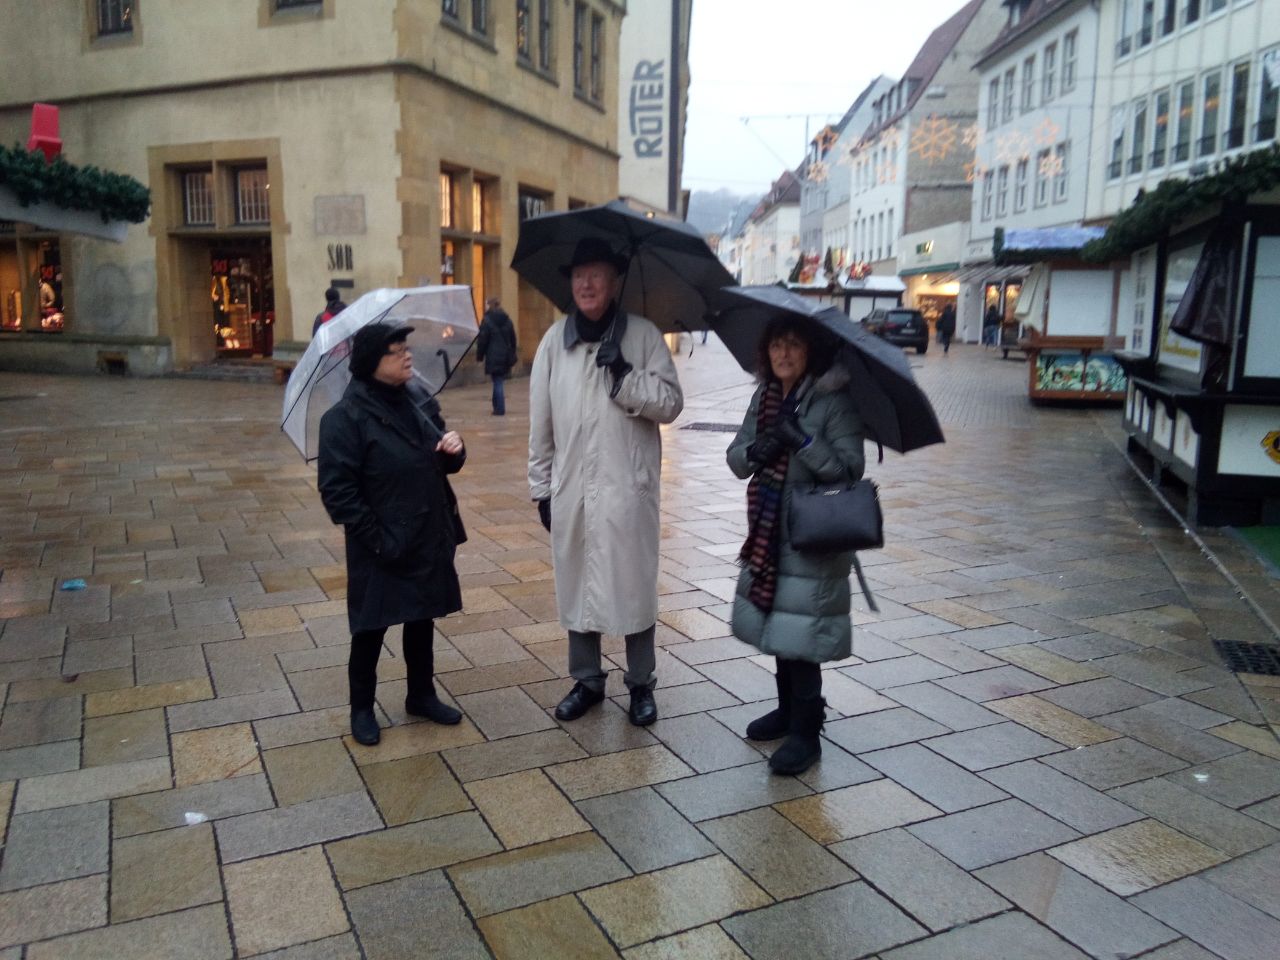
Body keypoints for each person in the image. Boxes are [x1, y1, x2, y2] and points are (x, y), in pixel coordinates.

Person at [528, 237, 684, 727]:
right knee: (577, 583)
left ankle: (641, 683)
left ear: (615, 281)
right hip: (573, 488)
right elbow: (540, 425)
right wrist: (541, 488)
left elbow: (671, 404)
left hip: (627, 490)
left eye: (596, 274)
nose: (587, 284)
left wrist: (623, 374)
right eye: (579, 275)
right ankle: (587, 680)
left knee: (634, 586)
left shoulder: (643, 336)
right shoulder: (554, 342)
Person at [317, 321, 468, 746]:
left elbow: (441, 458)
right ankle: (362, 708)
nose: (407, 355)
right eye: (396, 350)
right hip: (380, 543)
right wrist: (380, 541)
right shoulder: (343, 419)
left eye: (406, 347)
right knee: (370, 628)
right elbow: (338, 492)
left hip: (426, 530)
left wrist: (454, 451)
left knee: (422, 616)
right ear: (371, 362)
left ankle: (421, 694)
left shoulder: (419, 400)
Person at [726, 317, 865, 775]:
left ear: (811, 351)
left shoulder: (834, 402)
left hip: (812, 538)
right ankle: (787, 711)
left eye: (793, 345)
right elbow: (736, 458)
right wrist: (757, 451)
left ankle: (807, 733)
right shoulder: (764, 397)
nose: (783, 354)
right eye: (776, 345)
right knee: (781, 626)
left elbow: (849, 470)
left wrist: (803, 441)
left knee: (802, 636)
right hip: (769, 535)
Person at [476, 297, 518, 416]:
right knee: (498, 380)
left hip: (492, 355)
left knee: (497, 381)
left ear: (490, 305)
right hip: (504, 355)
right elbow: (513, 339)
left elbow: (482, 340)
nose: (485, 306)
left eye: (486, 304)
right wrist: (512, 352)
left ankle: (500, 409)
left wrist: (480, 356)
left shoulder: (487, 320)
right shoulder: (507, 320)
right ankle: (496, 406)